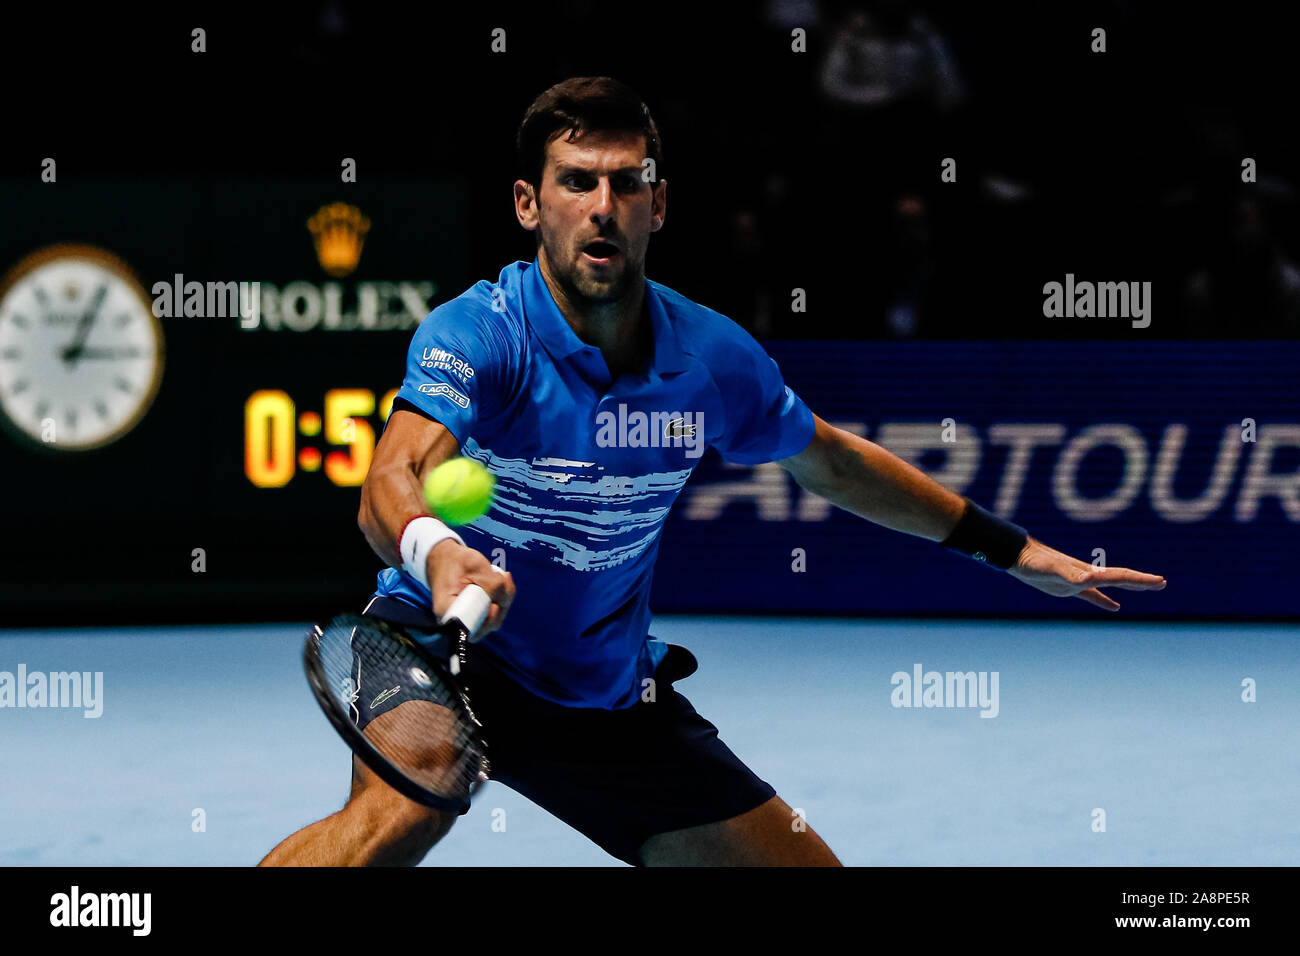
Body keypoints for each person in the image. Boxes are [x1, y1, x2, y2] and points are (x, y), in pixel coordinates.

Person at [260, 76, 1165, 867]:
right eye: (576, 183)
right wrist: (438, 554)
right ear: (530, 205)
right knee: (411, 797)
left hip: (603, 694)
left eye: (627, 183)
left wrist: (1016, 553)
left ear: (660, 205)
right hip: (438, 644)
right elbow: (391, 481)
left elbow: (836, 464)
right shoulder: (481, 333)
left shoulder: (712, 362)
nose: (603, 206)